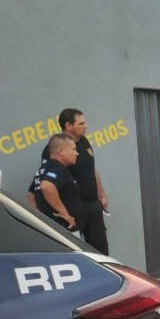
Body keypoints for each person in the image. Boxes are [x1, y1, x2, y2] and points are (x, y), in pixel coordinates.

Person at [28, 108, 110, 254]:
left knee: (100, 249)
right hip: (74, 207)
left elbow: (92, 168)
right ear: (68, 125)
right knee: (73, 251)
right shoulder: (53, 150)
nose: (86, 126)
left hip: (92, 204)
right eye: (81, 123)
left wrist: (101, 193)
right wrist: (62, 212)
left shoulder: (84, 142)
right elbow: (45, 185)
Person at [32, 134, 85, 236]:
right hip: (65, 230)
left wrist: (39, 218)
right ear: (61, 151)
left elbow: (31, 195)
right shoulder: (57, 168)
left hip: (52, 229)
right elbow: (46, 186)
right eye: (73, 150)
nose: (76, 153)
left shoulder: (43, 169)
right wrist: (65, 214)